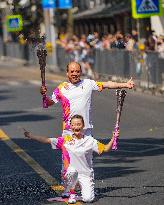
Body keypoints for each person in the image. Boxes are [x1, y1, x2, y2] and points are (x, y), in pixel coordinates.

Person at [24, 114, 119, 204]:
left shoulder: (89, 140)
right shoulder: (65, 140)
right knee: (72, 170)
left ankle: (80, 189)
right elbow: (47, 140)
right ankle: (72, 193)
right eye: (73, 125)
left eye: (78, 124)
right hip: (70, 173)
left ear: (83, 126)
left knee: (88, 199)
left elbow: (105, 148)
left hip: (86, 174)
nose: (76, 127)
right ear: (70, 126)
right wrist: (31, 136)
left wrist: (113, 138)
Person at [40, 61, 134, 136]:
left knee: (87, 160)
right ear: (67, 73)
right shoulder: (62, 88)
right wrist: (44, 95)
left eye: (77, 71)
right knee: (69, 159)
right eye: (72, 71)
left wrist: (125, 84)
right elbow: (48, 103)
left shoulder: (88, 83)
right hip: (69, 131)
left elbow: (108, 84)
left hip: (86, 130)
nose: (75, 74)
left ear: (80, 72)